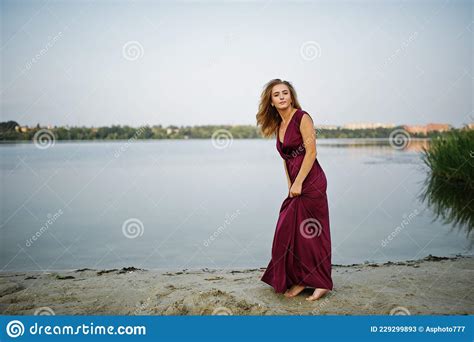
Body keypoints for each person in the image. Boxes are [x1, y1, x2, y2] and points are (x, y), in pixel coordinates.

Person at [256, 78, 333, 301]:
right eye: (276, 95)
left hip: (312, 182)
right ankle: (300, 280)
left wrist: (299, 182)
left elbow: (311, 152)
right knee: (289, 232)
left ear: (291, 96)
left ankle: (322, 283)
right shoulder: (279, 125)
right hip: (296, 184)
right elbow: (286, 158)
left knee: (313, 233)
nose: (281, 97)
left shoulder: (303, 117)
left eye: (285, 93)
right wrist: (290, 184)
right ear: (270, 102)